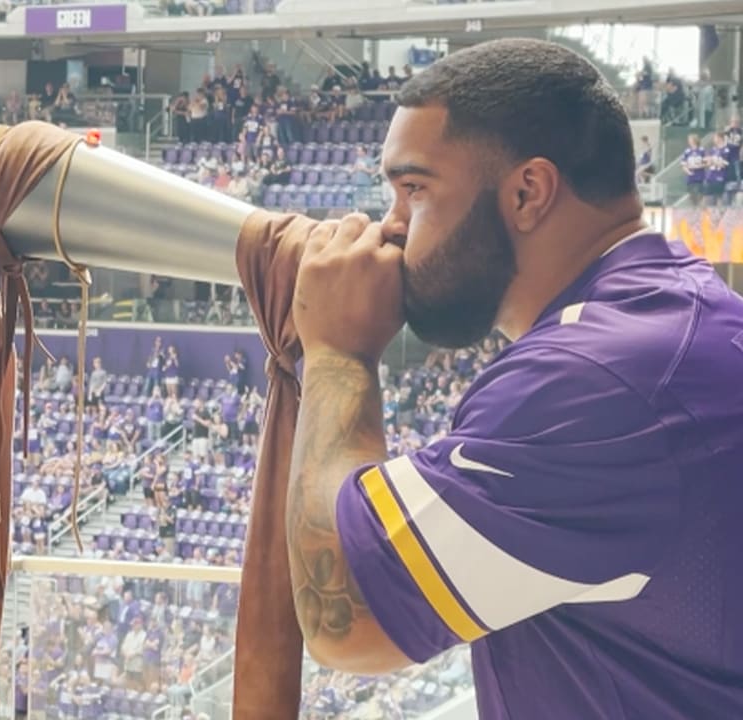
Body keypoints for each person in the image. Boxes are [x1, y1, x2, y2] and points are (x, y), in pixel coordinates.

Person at [284, 38, 743, 719]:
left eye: (415, 189)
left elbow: (347, 623)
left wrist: (336, 354)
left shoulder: (596, 380)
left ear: (528, 192)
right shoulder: (675, 313)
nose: (391, 226)